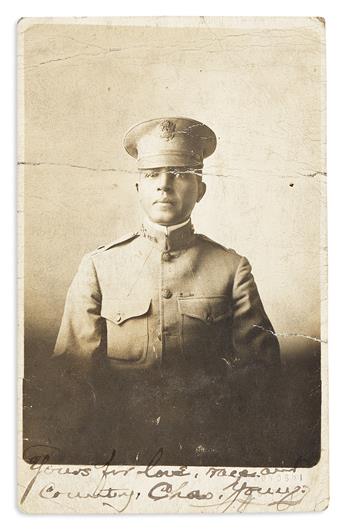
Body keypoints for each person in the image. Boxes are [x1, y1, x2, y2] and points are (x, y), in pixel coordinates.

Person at [51, 117, 280, 465]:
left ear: (200, 190)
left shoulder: (231, 268)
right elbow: (74, 377)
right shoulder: (99, 266)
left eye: (180, 173)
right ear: (138, 188)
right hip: (117, 449)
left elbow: (260, 376)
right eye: (152, 174)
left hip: (210, 452)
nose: (164, 185)